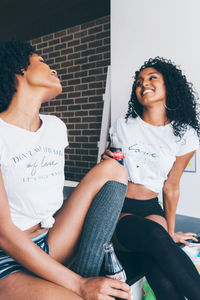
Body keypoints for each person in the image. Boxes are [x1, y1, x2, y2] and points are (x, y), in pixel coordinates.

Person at [0, 40, 131, 300]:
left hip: (51, 239)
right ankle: (79, 282)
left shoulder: (55, 127)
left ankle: (86, 270)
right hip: (8, 258)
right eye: (42, 61)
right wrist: (79, 285)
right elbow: (4, 234)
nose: (54, 69)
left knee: (113, 170)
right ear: (19, 70)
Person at [104, 57, 200, 300]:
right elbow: (105, 173)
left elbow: (171, 187)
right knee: (156, 237)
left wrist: (171, 230)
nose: (143, 83)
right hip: (119, 207)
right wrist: (104, 160)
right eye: (139, 81)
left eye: (151, 78)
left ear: (169, 85)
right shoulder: (123, 126)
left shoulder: (185, 135)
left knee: (159, 264)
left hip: (150, 206)